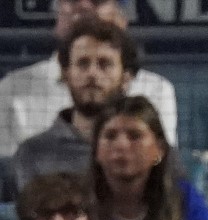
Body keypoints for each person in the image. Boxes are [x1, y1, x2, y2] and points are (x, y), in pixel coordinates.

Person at [0, 0, 175, 159]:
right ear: (58, 14)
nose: (83, 6)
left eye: (96, 1)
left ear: (121, 18)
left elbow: (162, 168)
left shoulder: (155, 89)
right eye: (72, 0)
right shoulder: (13, 87)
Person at [87, 96, 208, 220]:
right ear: (96, 151)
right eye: (110, 136)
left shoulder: (184, 200)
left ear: (159, 150)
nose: (121, 145)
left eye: (134, 136)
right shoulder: (78, 204)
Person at [12, 17, 134, 191]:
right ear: (65, 74)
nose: (92, 73)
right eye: (83, 63)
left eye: (104, 64)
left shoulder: (150, 150)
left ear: (126, 78)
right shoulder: (33, 153)